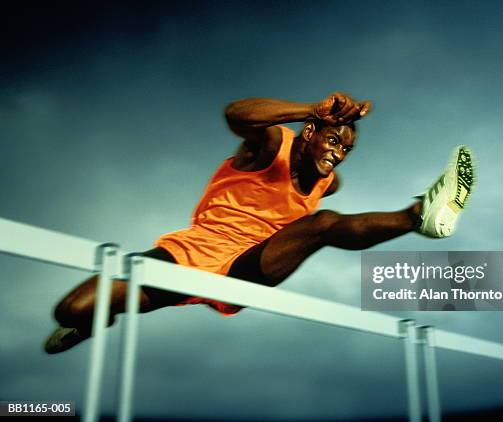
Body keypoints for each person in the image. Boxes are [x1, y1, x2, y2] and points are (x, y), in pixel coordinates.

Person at [44, 92, 475, 354]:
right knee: (73, 309)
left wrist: (335, 148)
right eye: (332, 140)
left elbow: (336, 221)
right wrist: (312, 107)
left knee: (322, 224)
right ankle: (95, 322)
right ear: (309, 132)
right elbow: (237, 115)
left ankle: (420, 214)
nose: (337, 154)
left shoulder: (327, 180)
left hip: (250, 264)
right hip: (190, 254)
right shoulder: (272, 145)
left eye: (346, 149)